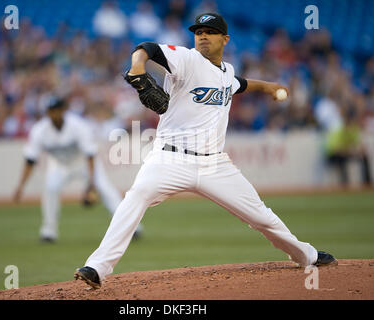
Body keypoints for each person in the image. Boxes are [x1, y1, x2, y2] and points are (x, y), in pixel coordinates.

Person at [75, 13, 337, 289]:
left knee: (261, 215)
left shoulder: (226, 72)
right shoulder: (187, 59)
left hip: (215, 165)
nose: (202, 35)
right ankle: (97, 267)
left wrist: (268, 86)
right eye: (198, 31)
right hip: (169, 159)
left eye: (210, 32)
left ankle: (305, 254)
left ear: (225, 39)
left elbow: (239, 83)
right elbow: (148, 48)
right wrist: (138, 66)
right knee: (134, 198)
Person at [13, 98, 141, 243]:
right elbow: (30, 160)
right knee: (50, 188)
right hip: (59, 165)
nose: (54, 114)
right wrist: (20, 187)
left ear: (63, 110)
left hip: (84, 163)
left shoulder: (78, 126)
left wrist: (91, 184)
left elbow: (90, 154)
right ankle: (48, 232)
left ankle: (132, 227)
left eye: (56, 110)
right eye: (51, 111)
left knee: (106, 189)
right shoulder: (40, 130)